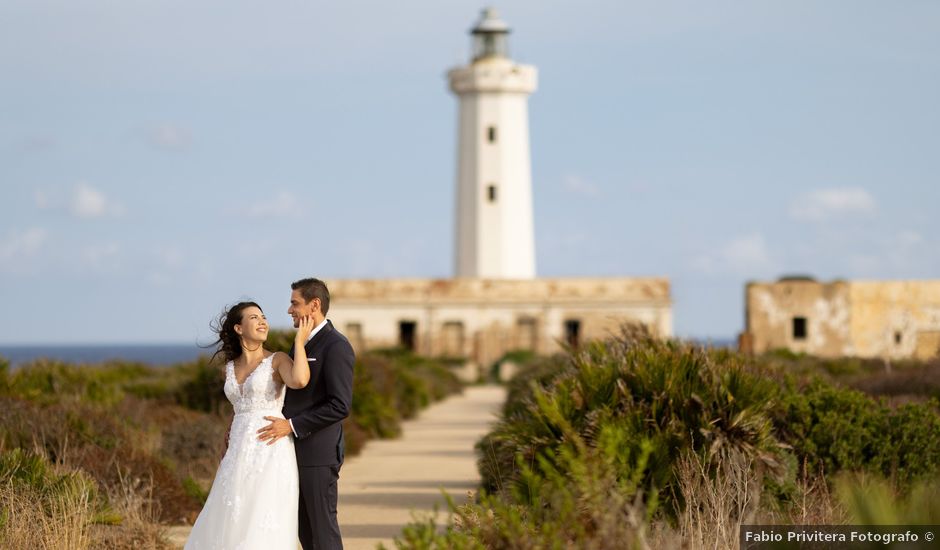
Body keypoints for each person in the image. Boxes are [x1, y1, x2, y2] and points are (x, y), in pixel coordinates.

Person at [185, 301, 315, 549]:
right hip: (237, 453)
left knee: (262, 518)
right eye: (254, 317)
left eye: (264, 317)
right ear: (238, 328)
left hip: (270, 449)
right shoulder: (229, 368)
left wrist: (299, 343)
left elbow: (299, 380)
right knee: (231, 514)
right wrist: (229, 430)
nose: (263, 321)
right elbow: (239, 407)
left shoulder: (277, 360)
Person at [257, 278, 355, 550]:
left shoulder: (336, 346)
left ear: (315, 305)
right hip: (291, 454)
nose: (289, 310)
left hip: (318, 455)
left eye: (294, 303)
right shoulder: (300, 342)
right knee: (305, 532)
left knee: (323, 532)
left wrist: (291, 425)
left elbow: (339, 405)